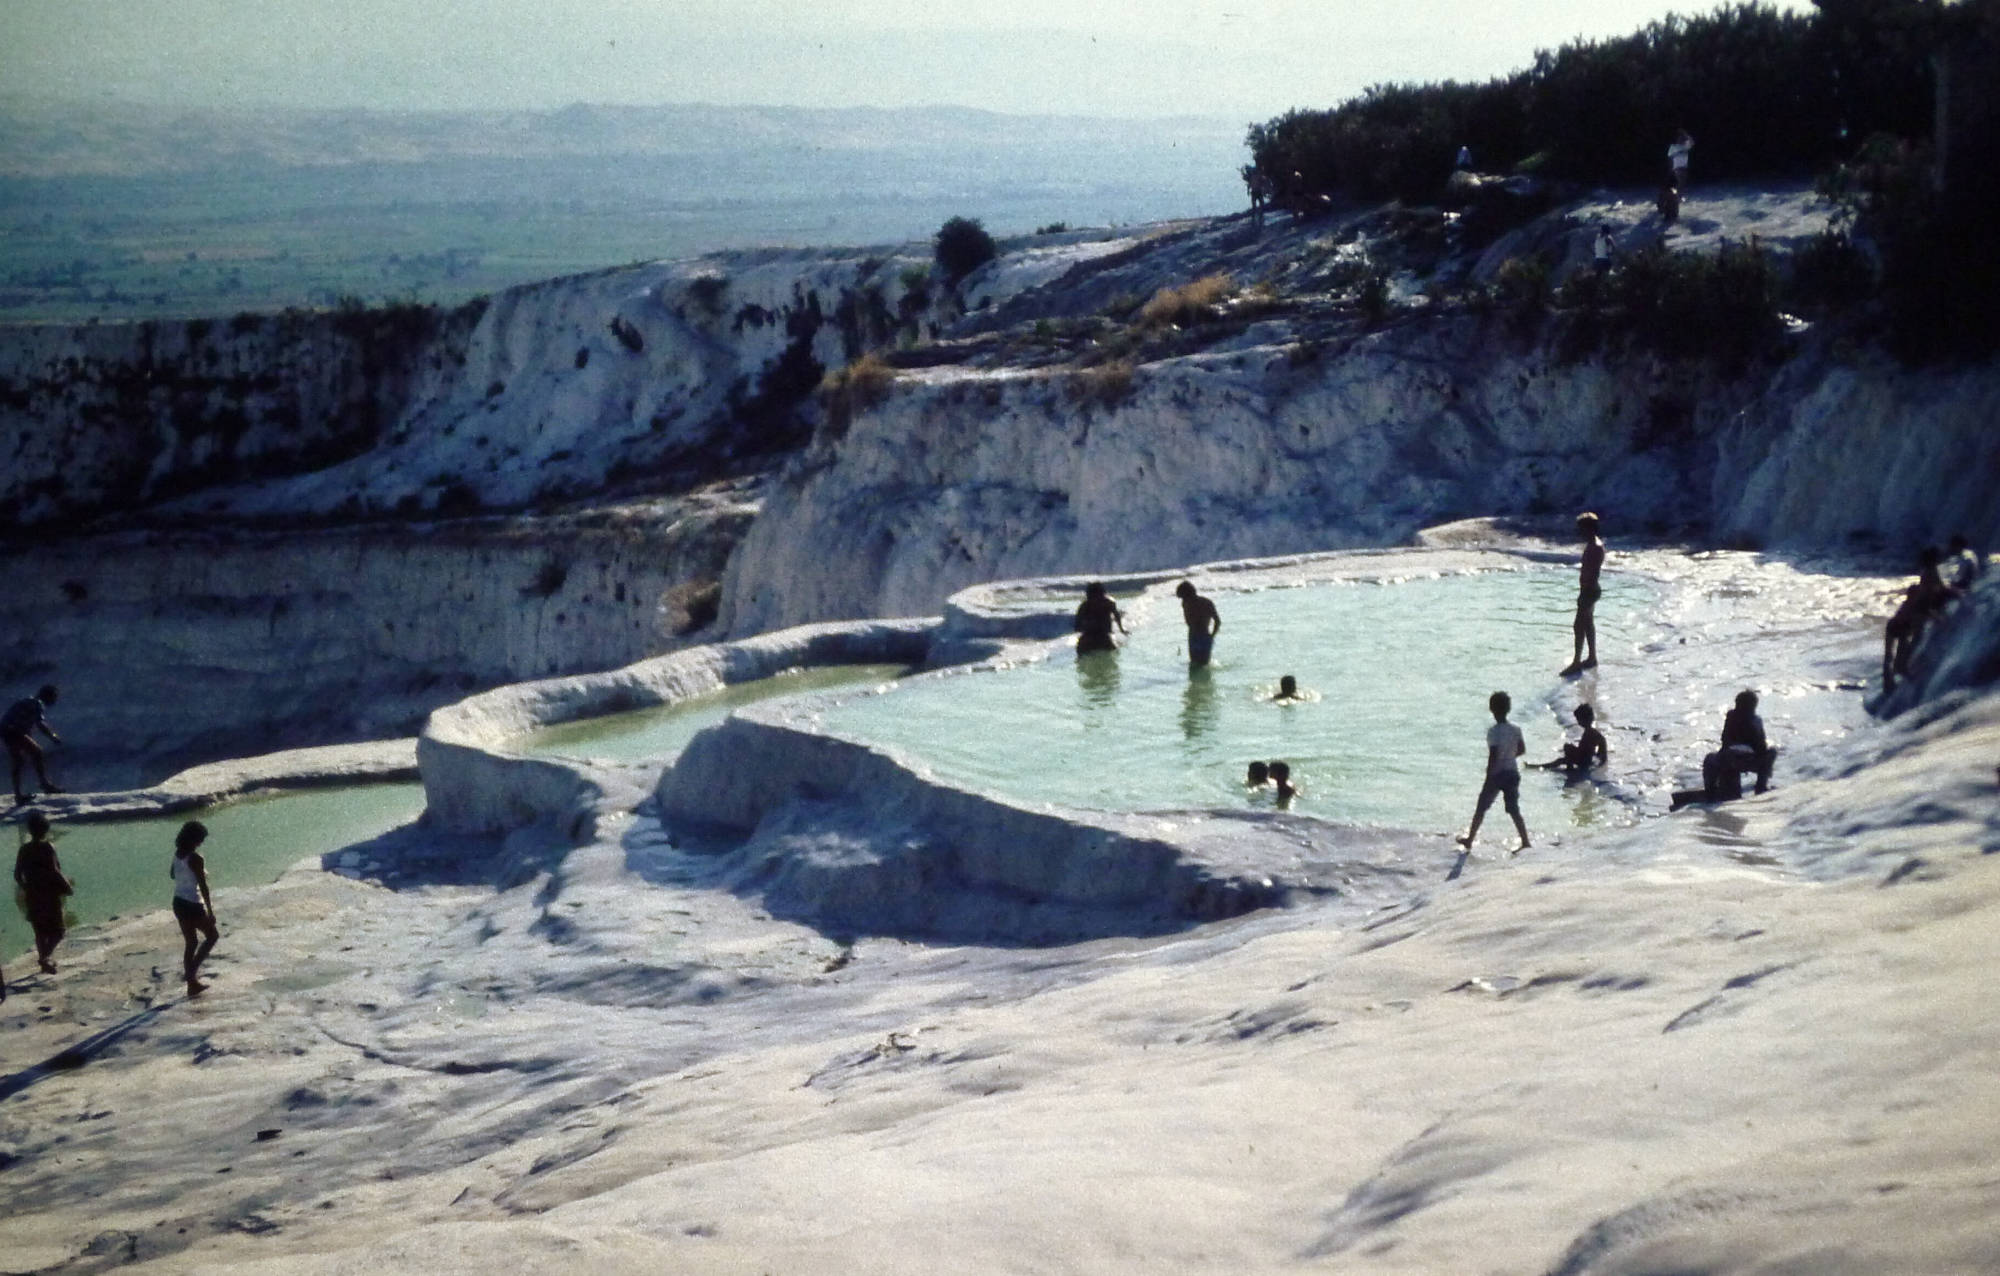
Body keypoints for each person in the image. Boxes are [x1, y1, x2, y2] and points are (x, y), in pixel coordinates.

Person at [1458, 691, 1530, 852]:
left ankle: (1470, 839)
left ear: (1491, 709)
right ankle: (1525, 840)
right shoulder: (1516, 729)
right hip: (1512, 772)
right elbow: (1522, 750)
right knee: (1514, 809)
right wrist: (1510, 755)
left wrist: (1488, 774)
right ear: (1508, 709)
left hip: (1497, 774)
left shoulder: (1493, 732)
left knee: (1481, 807)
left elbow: (1493, 755)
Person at [14, 809, 73, 975]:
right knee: (59, 931)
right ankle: (46, 957)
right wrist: (66, 885)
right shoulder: (47, 847)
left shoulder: (23, 850)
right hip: (49, 894)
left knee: (39, 931)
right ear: (45, 830)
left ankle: (44, 965)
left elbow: (17, 875)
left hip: (32, 894)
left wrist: (26, 887)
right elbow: (54, 870)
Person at [171, 820, 219, 997]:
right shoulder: (196, 858)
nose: (201, 842)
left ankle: (192, 984)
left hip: (178, 901)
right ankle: (191, 974)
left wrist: (184, 877)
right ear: (194, 838)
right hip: (192, 903)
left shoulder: (178, 854)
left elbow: (171, 874)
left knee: (191, 943)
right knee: (212, 936)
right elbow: (203, 886)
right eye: (200, 839)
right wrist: (210, 911)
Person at [1701, 690, 1777, 800]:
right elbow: (1761, 745)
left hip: (1729, 758)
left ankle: (1711, 790)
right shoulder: (1756, 720)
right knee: (1772, 752)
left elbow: (1725, 739)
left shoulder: (1731, 716)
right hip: (1750, 760)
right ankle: (1761, 786)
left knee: (1710, 758)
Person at [3, 684, 64, 805]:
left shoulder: (28, 701)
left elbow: (22, 721)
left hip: (5, 730)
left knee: (18, 762)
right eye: (54, 697)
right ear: (48, 696)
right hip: (13, 731)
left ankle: (18, 795)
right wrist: (53, 737)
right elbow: (40, 725)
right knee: (37, 752)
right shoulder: (37, 703)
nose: (54, 701)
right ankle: (44, 784)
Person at [1563, 513, 1606, 675]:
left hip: (1589, 590)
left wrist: (1584, 593)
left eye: (1581, 528)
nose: (1580, 532)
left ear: (1588, 528)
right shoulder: (1595, 545)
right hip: (1590, 589)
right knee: (1587, 624)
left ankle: (1576, 662)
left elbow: (1591, 572)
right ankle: (1592, 657)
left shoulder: (1594, 547)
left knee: (1578, 625)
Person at [1532, 703, 1608, 776]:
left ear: (1584, 719)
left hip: (1584, 760)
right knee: (1562, 758)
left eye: (1579, 720)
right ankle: (1545, 766)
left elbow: (1602, 742)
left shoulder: (1592, 732)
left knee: (1565, 751)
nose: (1578, 722)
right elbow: (1601, 742)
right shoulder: (1590, 731)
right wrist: (1599, 756)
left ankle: (1567, 768)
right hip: (1585, 758)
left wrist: (1601, 759)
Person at [1176, 581, 1221, 668]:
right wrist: (1211, 637)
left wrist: (1212, 636)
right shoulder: (1186, 603)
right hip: (1194, 637)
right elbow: (1218, 622)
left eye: (1183, 597)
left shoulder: (1206, 603)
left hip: (1202, 637)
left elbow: (1218, 621)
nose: (1183, 600)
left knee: (1200, 666)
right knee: (1195, 666)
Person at [1073, 581, 1127, 654]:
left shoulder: (1084, 606)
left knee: (1081, 650)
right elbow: (1117, 616)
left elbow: (1077, 627)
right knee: (1115, 651)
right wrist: (1121, 629)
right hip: (1098, 637)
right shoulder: (1108, 603)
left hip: (1094, 637)